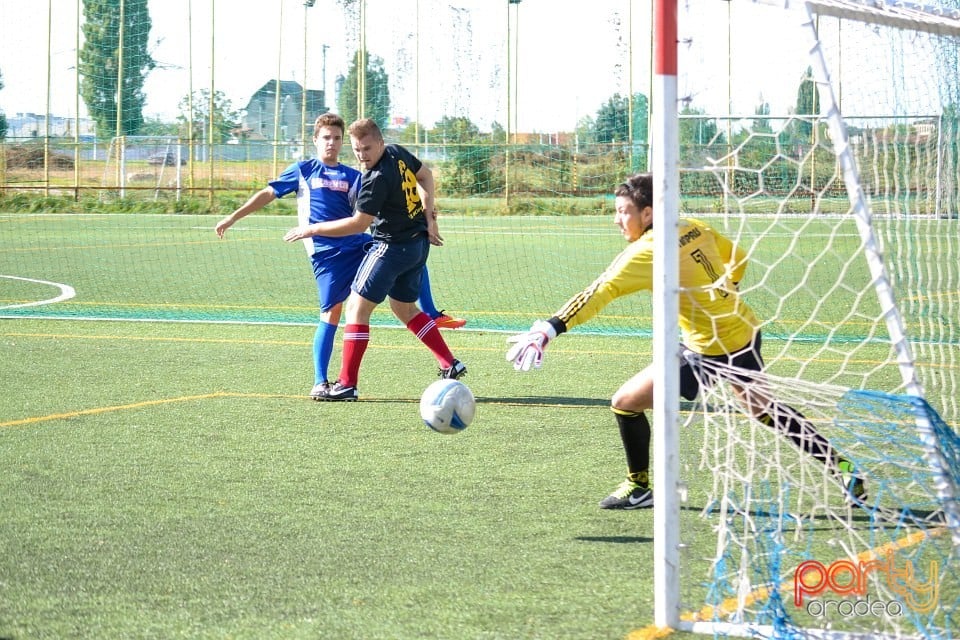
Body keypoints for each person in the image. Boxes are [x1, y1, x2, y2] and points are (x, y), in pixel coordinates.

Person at [506, 172, 864, 509]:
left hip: (706, 350)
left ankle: (638, 486)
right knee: (765, 410)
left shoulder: (647, 250)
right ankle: (845, 471)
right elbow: (737, 257)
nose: (617, 220)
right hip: (742, 333)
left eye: (622, 212)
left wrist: (549, 328)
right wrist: (726, 291)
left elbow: (599, 291)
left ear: (647, 213)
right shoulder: (691, 225)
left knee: (625, 402)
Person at [215, 113, 465, 401]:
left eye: (365, 148)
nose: (360, 155)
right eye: (356, 149)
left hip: (375, 245)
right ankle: (447, 362)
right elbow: (425, 175)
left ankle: (346, 383)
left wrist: (310, 229)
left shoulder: (367, 177)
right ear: (316, 140)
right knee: (393, 307)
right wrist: (428, 217)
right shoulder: (316, 168)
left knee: (356, 311)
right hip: (351, 251)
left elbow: (360, 223)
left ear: (380, 142)